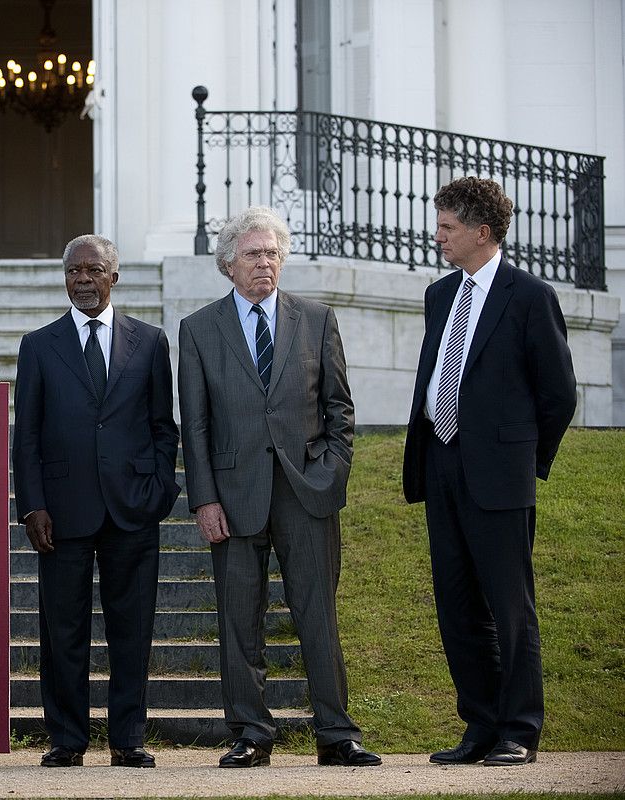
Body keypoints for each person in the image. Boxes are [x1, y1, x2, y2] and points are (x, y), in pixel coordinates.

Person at [178, 206, 381, 769]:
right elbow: (193, 424)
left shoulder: (316, 319)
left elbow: (339, 407)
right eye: (253, 254)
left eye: (272, 254)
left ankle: (337, 734)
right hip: (233, 496)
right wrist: (204, 498)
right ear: (228, 265)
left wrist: (333, 471)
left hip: (306, 491)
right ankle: (251, 733)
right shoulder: (198, 329)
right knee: (239, 619)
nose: (265, 263)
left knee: (318, 615)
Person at [403, 177, 577, 767]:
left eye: (447, 227)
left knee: (510, 606)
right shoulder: (438, 294)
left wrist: (527, 461)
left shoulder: (529, 296)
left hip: (501, 474)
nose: (438, 237)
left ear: (482, 232)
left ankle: (519, 729)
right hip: (442, 463)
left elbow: (558, 393)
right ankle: (479, 725)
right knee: (456, 605)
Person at [13, 235, 179, 768]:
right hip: (60, 513)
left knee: (133, 630)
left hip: (132, 508)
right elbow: (27, 436)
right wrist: (30, 505)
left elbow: (162, 426)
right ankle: (67, 738)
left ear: (115, 275)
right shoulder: (38, 344)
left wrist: (159, 490)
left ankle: (128, 738)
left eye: (93, 270)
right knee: (63, 631)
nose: (83, 279)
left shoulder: (150, 342)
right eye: (73, 271)